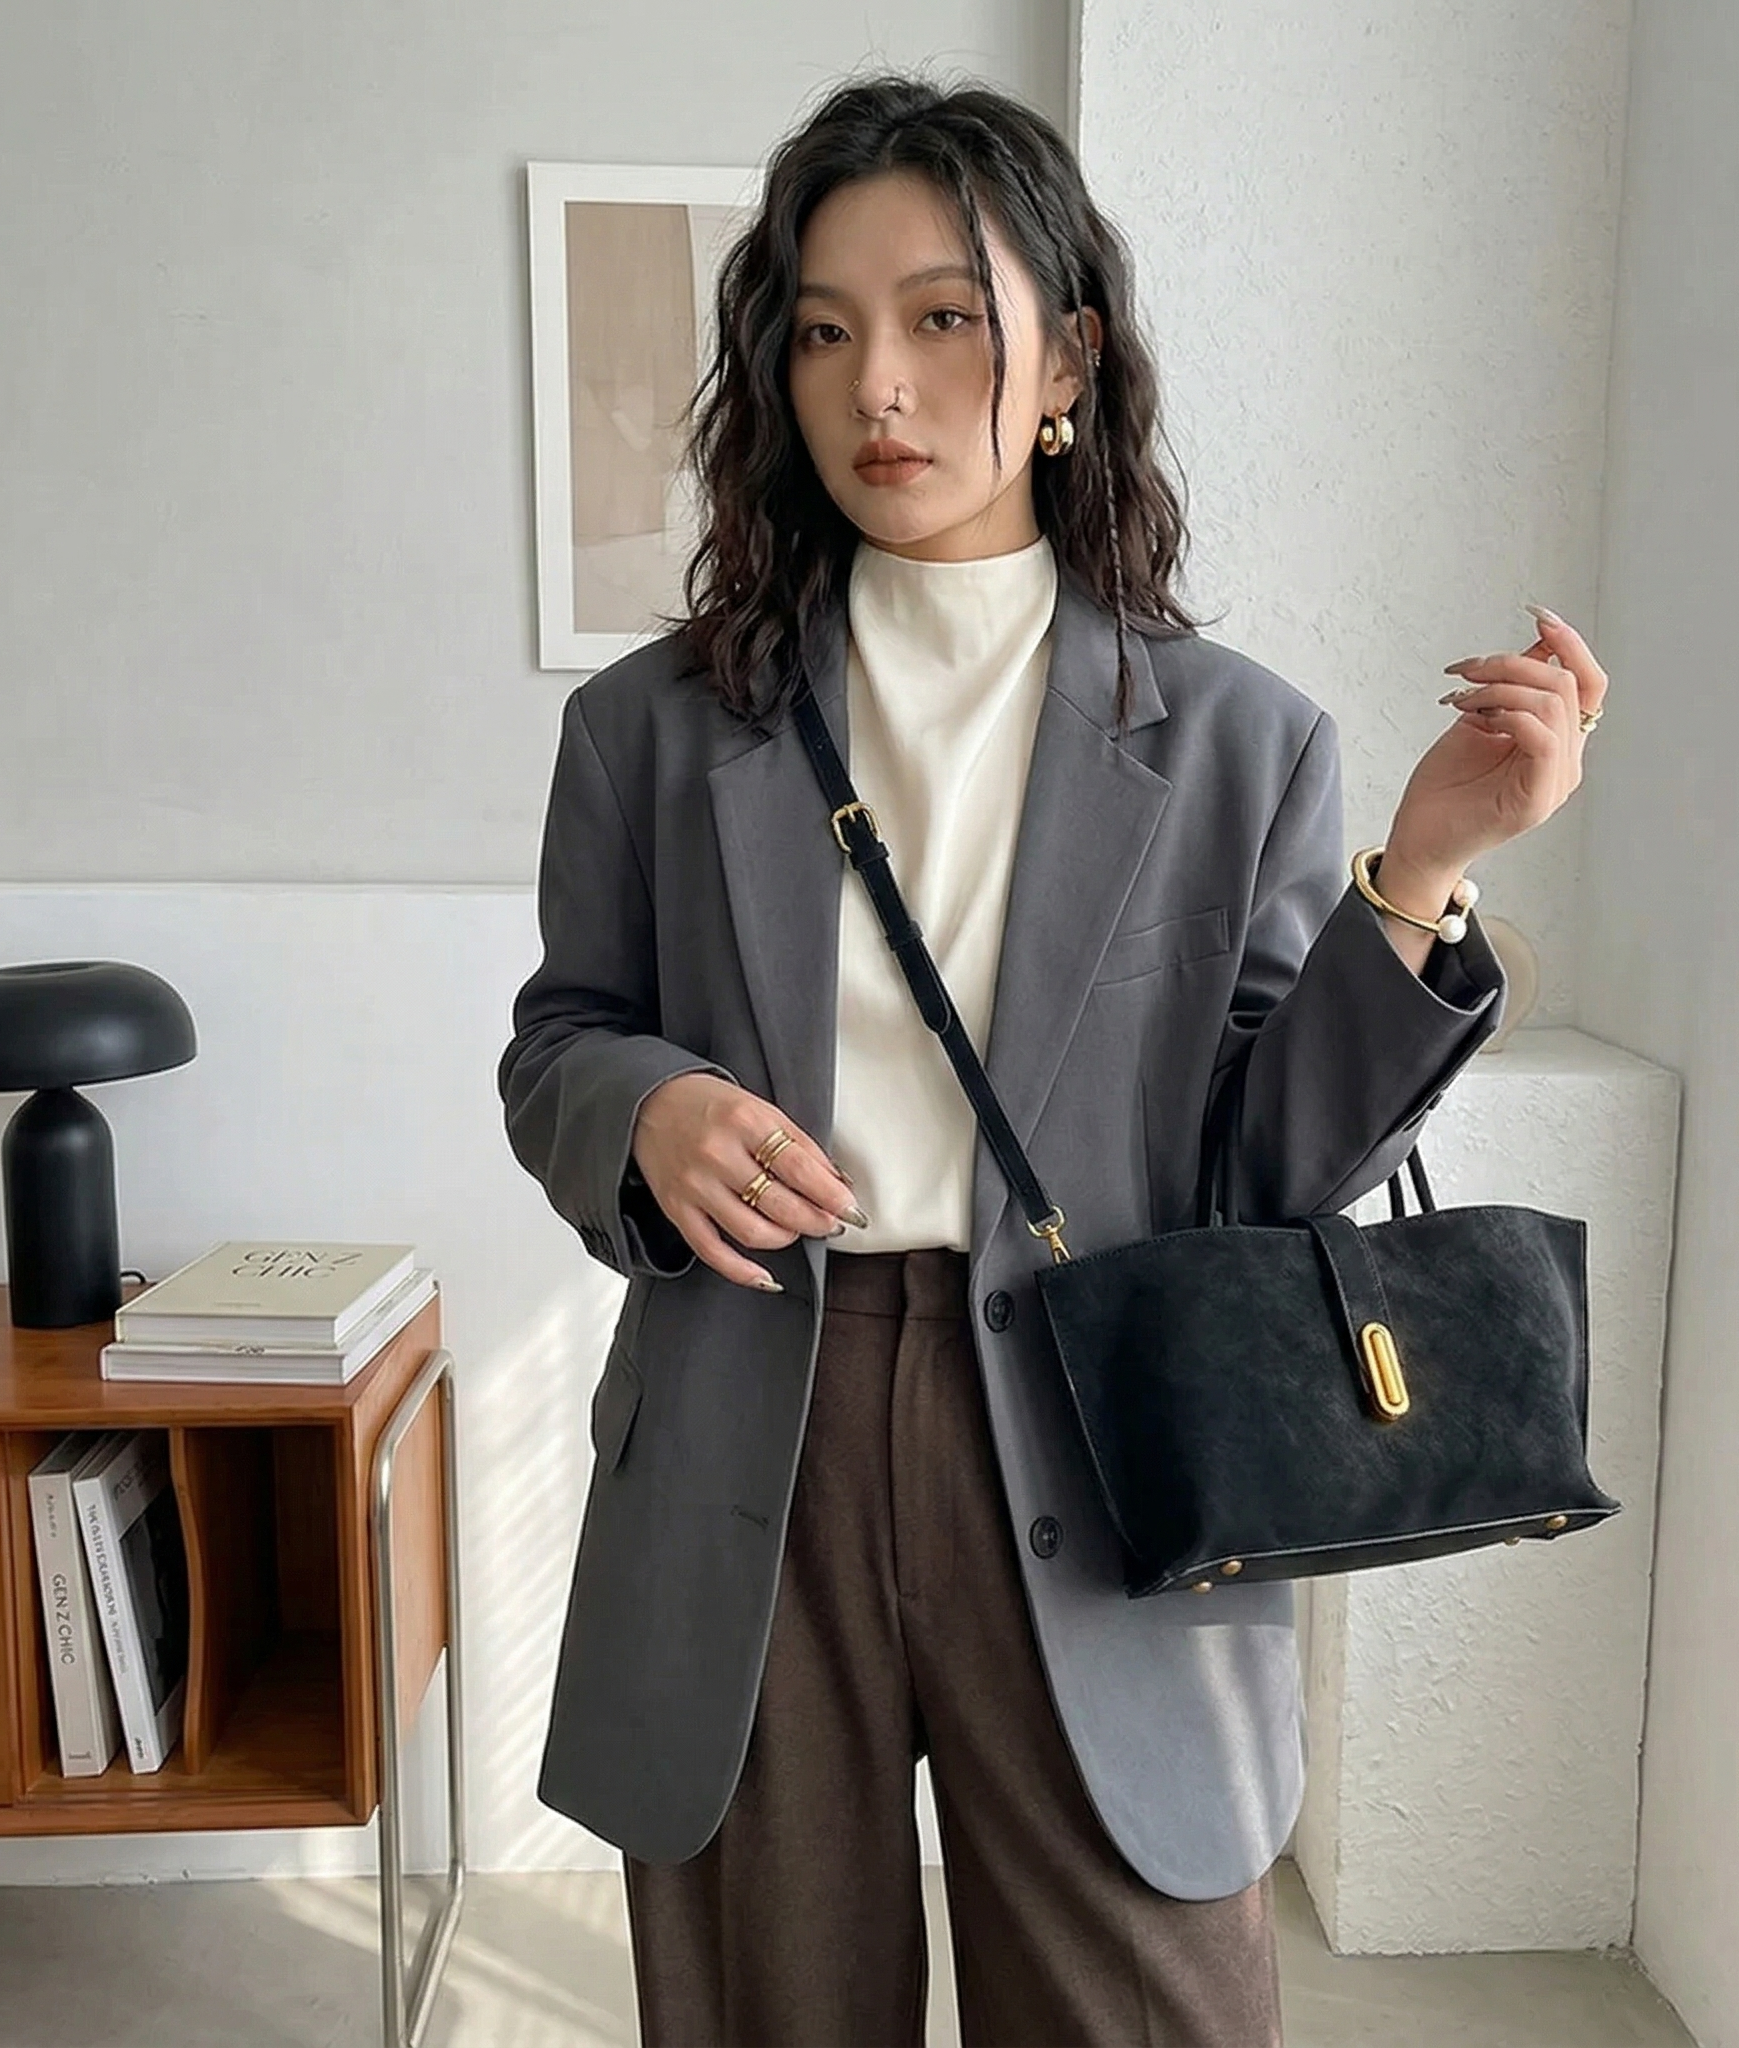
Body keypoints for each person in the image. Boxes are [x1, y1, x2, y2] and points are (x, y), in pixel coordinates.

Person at [498, 69, 1608, 2048]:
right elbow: (559, 1040)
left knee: (1141, 2007)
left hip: (1109, 1426)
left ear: (1068, 361)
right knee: (772, 2009)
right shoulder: (652, 730)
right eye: (820, 331)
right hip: (756, 1425)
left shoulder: (1238, 741)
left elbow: (1266, 1179)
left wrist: (1425, 870)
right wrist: (642, 1110)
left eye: (943, 318)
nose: (878, 386)